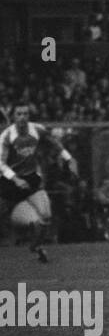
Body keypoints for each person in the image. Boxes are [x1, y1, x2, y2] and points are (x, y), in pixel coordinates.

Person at [0, 104, 80, 262]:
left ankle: (35, 247)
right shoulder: (6, 136)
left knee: (46, 216)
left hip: (30, 179)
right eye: (19, 114)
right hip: (9, 181)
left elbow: (55, 144)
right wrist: (16, 179)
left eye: (25, 114)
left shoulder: (37, 129)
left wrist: (69, 159)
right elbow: (1, 164)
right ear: (14, 116)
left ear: (29, 116)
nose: (22, 117)